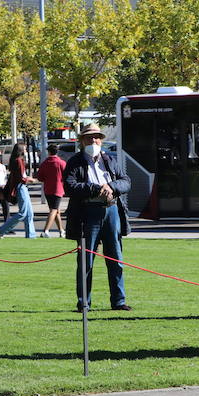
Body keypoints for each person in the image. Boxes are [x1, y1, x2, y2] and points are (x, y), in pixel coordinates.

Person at [64, 124, 131, 311]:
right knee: (86, 260)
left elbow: (126, 181)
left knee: (116, 258)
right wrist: (94, 188)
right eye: (89, 138)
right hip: (87, 213)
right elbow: (69, 186)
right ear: (82, 141)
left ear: (101, 139)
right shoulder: (74, 162)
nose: (94, 141)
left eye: (96, 137)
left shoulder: (110, 159)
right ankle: (84, 302)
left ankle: (119, 301)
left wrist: (112, 187)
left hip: (111, 212)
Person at [0, 143, 39, 238]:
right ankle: (2, 230)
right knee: (23, 213)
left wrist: (27, 178)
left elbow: (19, 176)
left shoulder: (17, 160)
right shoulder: (19, 161)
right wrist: (30, 179)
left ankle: (31, 235)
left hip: (22, 187)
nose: (26, 151)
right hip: (21, 187)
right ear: (21, 150)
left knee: (29, 212)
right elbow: (21, 178)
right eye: (25, 149)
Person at [37, 146, 68, 238]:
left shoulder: (44, 163)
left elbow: (40, 177)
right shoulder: (61, 163)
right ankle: (45, 230)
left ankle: (61, 230)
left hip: (47, 189)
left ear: (49, 152)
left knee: (56, 210)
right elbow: (66, 175)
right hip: (58, 189)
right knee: (54, 210)